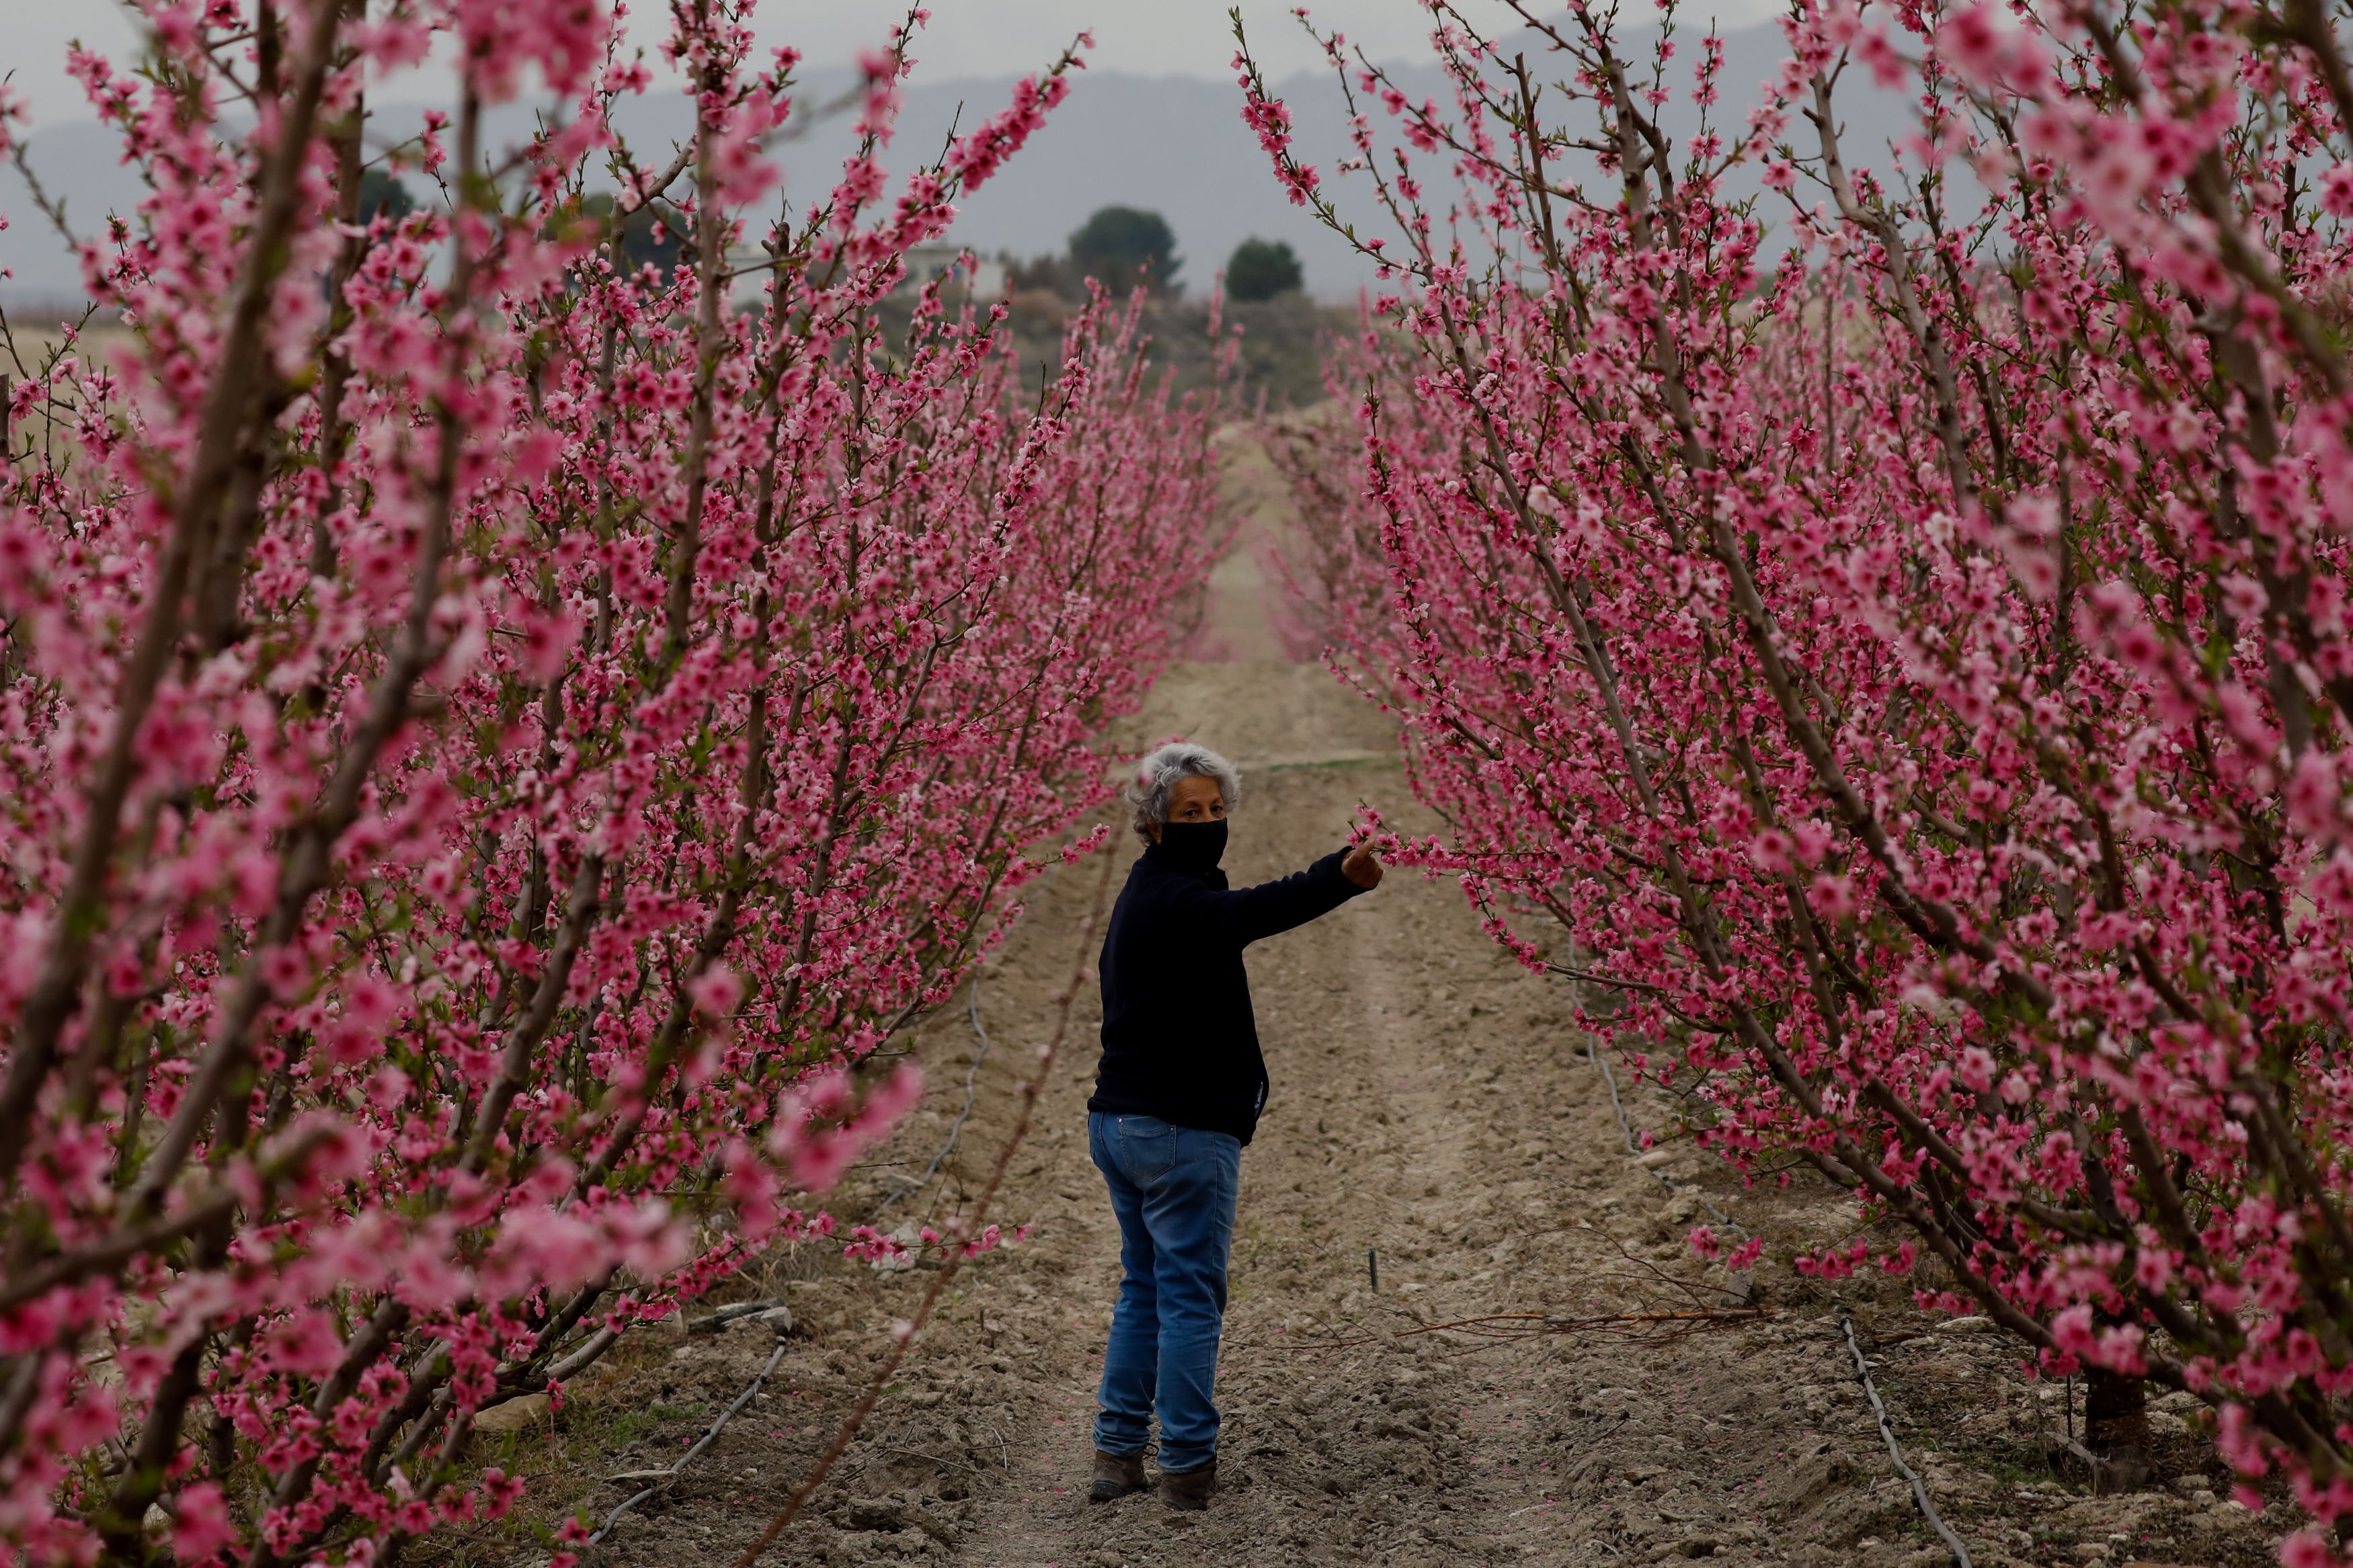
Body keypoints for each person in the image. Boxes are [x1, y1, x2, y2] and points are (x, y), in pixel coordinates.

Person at [1083, 741, 1383, 1511]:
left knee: (1144, 1289)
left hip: (1123, 1122)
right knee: (1186, 1298)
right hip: (1180, 1130)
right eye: (1189, 812)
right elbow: (1247, 911)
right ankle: (1186, 1463)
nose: (1208, 822)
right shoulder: (1174, 900)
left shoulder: (1147, 889)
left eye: (1216, 809)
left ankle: (1116, 1454)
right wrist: (1335, 876)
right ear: (1151, 823)